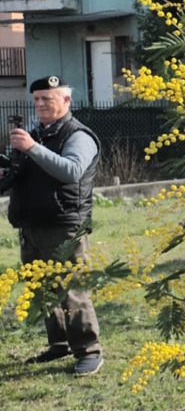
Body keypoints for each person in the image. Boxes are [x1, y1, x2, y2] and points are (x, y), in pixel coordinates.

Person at [4, 76, 103, 376]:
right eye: (36, 99)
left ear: (66, 101)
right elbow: (24, 171)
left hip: (65, 225)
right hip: (32, 223)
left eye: (47, 98)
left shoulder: (79, 136)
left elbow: (71, 171)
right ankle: (58, 344)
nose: (40, 104)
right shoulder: (37, 133)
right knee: (43, 289)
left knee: (71, 289)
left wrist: (32, 147)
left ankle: (89, 351)